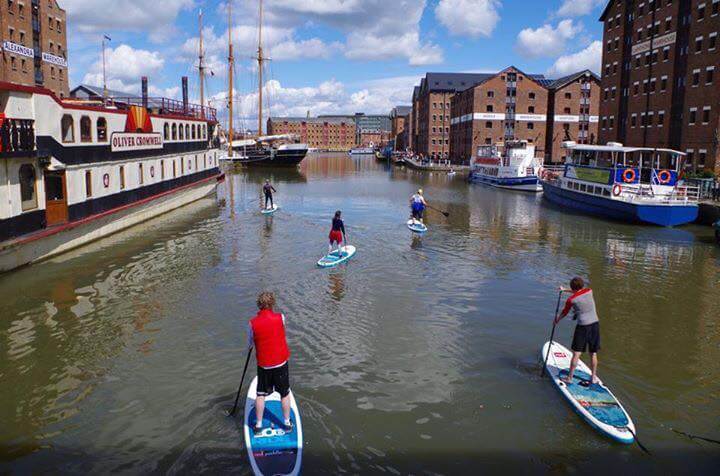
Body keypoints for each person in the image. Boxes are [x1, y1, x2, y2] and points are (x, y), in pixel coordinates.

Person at [247, 292, 293, 434]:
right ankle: (287, 423)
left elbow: (250, 343)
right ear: (272, 304)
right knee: (284, 394)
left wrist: (250, 346)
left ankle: (259, 425)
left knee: (261, 394)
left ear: (259, 305)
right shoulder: (281, 317)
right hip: (280, 363)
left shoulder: (252, 323)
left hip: (264, 365)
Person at [554, 277, 600, 386]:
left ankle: (569, 378)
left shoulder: (571, 300)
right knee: (593, 353)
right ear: (582, 286)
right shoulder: (589, 291)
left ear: (572, 288)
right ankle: (593, 377)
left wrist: (557, 320)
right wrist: (565, 290)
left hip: (583, 327)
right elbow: (578, 291)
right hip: (595, 325)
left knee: (576, 354)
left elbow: (565, 312)